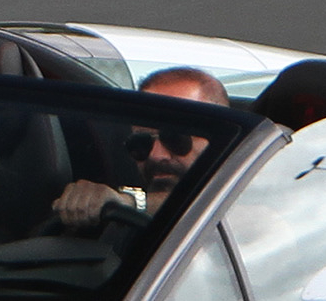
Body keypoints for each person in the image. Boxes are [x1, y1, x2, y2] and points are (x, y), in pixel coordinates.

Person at [50, 66, 230, 230]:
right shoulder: (118, 226)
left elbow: (207, 202)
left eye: (176, 138)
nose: (156, 155)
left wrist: (130, 202)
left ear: (221, 140)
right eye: (142, 142)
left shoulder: (249, 199)